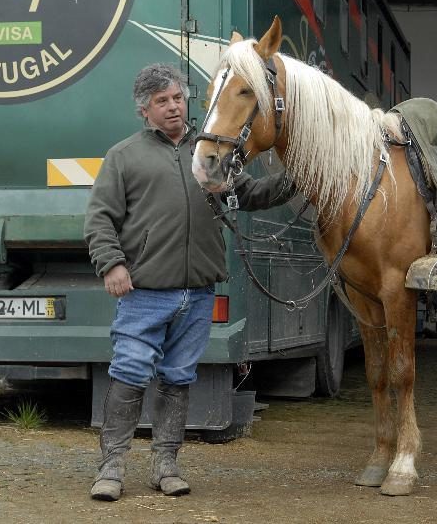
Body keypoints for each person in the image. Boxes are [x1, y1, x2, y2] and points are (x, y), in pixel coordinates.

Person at [84, 63, 294, 502]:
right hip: (144, 292)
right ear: (145, 111)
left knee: (179, 377)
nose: (173, 107)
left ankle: (166, 465)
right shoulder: (124, 156)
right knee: (129, 374)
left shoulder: (210, 154)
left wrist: (299, 179)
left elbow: (251, 195)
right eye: (161, 101)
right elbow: (100, 219)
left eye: (177, 98)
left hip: (197, 292)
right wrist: (112, 265)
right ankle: (111, 468)